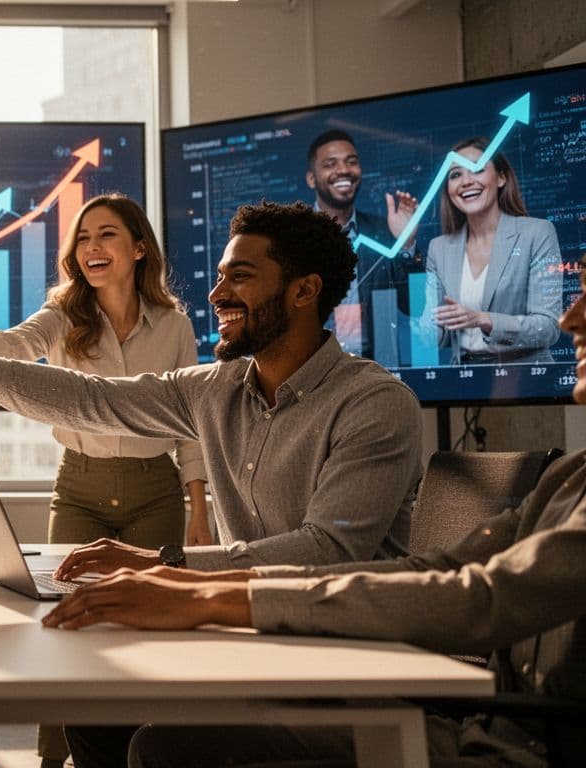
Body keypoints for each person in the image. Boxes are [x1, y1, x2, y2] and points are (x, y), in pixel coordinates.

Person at [43, 259, 586, 768]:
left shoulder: (373, 401)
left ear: (303, 291)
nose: (570, 318)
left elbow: (480, 598)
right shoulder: (569, 478)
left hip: (499, 742)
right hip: (477, 716)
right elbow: (441, 571)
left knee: (163, 747)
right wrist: (190, 582)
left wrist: (204, 593)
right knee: (102, 717)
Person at [0, 200, 422, 574]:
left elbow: (327, 552)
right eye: (219, 276)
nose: (216, 294)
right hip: (252, 632)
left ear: (304, 291)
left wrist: (165, 564)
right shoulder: (214, 390)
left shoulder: (373, 405)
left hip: (351, 659)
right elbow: (91, 399)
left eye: (239, 277)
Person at [0, 193, 212, 768]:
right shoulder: (63, 316)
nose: (92, 247)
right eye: (84, 237)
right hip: (79, 489)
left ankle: (135, 752)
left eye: (107, 234)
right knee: (64, 620)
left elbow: (191, 424)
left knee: (146, 621)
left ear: (139, 248)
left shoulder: (174, 325)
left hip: (156, 491)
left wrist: (200, 506)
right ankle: (53, 758)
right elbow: (11, 345)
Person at [420, 136, 563, 365]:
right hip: (466, 378)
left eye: (477, 169)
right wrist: (405, 243)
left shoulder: (537, 233)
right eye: (455, 175)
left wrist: (484, 319)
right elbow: (432, 334)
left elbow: (548, 327)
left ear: (501, 178)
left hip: (526, 376)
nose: (466, 181)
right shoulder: (439, 248)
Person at [304, 129, 422, 361]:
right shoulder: (291, 237)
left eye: (351, 162)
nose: (344, 170)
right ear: (311, 179)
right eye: (330, 164)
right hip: (313, 369)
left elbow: (416, 307)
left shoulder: (385, 231)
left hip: (376, 369)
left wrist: (406, 243)